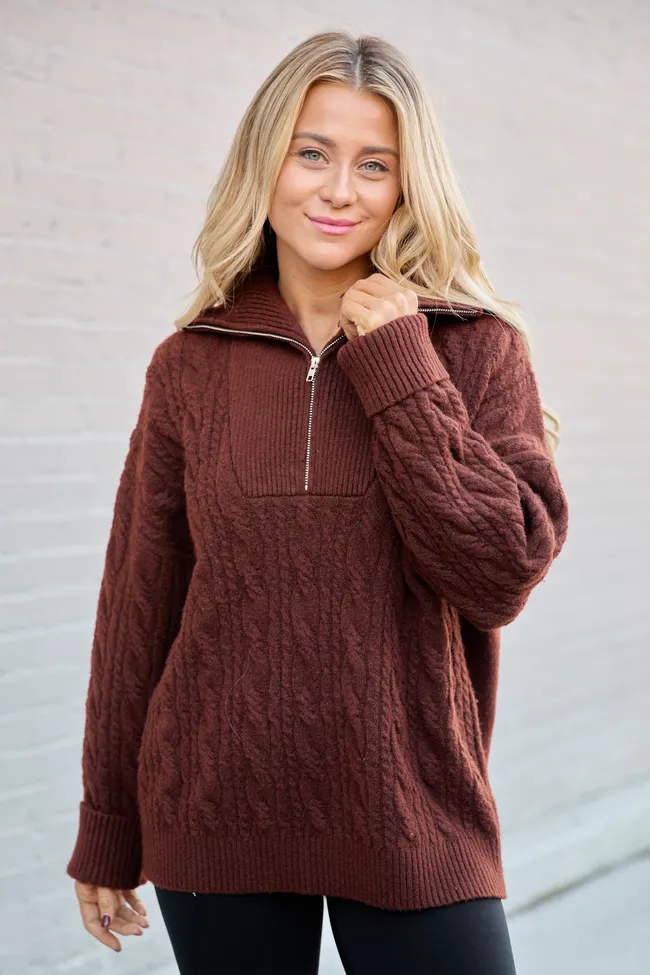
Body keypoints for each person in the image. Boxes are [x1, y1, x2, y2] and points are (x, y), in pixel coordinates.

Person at [66, 29, 569, 975]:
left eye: (374, 164)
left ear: (408, 185)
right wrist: (107, 823)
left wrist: (400, 367)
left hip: (413, 809)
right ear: (266, 162)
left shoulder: (472, 348)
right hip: (214, 811)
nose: (340, 190)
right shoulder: (191, 364)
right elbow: (139, 601)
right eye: (312, 153)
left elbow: (500, 571)